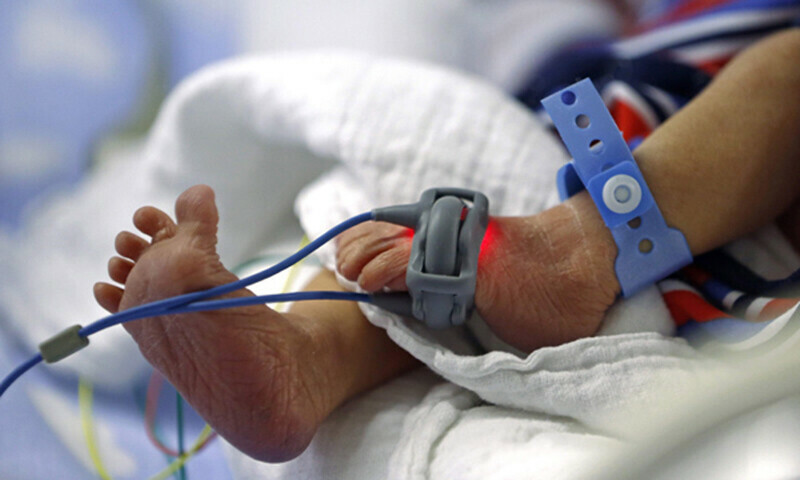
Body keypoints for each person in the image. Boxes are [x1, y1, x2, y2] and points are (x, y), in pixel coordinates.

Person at [93, 18, 800, 463]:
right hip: (612, 157)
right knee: (411, 238)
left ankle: (573, 251)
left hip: (698, 192)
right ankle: (303, 354)